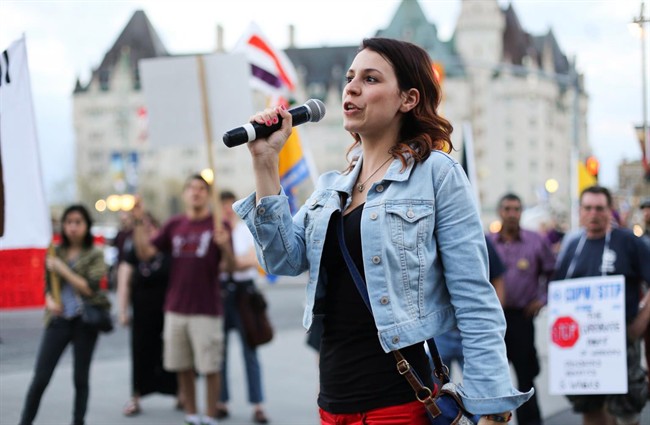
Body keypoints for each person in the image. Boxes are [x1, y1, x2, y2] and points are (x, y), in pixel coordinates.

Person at [233, 37, 531, 425]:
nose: (352, 87)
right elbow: (281, 260)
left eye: (371, 79)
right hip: (332, 405)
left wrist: (490, 402)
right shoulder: (330, 188)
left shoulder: (437, 175)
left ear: (407, 99)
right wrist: (265, 162)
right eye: (350, 77)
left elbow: (474, 296)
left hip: (400, 405)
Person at [131, 174, 234, 425]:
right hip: (175, 308)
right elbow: (145, 253)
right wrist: (137, 223)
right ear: (184, 194)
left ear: (207, 195)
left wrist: (224, 247)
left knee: (210, 367)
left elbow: (229, 268)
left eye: (201, 189)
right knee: (182, 365)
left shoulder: (219, 225)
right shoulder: (174, 224)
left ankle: (209, 416)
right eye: (191, 188)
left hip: (206, 309)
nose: (196, 192)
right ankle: (191, 414)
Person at [554, 186, 650, 425]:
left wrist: (639, 324)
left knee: (626, 411)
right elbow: (558, 291)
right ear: (580, 211)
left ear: (610, 210)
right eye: (588, 208)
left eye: (599, 208)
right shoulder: (572, 246)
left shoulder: (629, 242)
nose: (593, 213)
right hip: (581, 346)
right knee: (590, 407)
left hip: (621, 340)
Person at [19, 204, 109, 425]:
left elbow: (90, 287)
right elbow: (47, 287)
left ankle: (78, 421)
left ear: (86, 225)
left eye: (78, 222)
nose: (73, 227)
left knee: (80, 378)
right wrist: (50, 301)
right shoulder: (54, 251)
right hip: (59, 321)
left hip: (84, 321)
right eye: (69, 222)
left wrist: (62, 268)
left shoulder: (94, 254)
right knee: (40, 378)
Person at [487, 193, 555, 425]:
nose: (512, 214)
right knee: (492, 379)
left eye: (516, 209)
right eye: (507, 209)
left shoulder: (535, 241)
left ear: (521, 212)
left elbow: (553, 273)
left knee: (526, 378)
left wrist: (542, 298)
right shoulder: (486, 242)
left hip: (522, 319)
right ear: (500, 212)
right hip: (493, 322)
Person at [117, 212, 179, 416]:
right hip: (142, 311)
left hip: (168, 310)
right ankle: (135, 396)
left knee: (172, 353)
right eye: (142, 226)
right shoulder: (133, 250)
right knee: (140, 352)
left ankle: (180, 394)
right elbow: (123, 281)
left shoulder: (167, 248)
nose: (148, 230)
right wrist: (123, 310)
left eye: (150, 225)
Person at [215, 190, 269, 424]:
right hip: (222, 293)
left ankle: (257, 404)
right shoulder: (216, 231)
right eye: (223, 205)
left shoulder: (244, 230)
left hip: (244, 293)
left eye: (230, 204)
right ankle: (221, 401)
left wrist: (229, 259)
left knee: (250, 350)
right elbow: (217, 267)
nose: (227, 209)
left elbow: (249, 261)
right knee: (220, 353)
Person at [434, 236, 506, 376]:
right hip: (440, 331)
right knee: (435, 392)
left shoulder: (479, 239)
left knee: (481, 388)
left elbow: (498, 280)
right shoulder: (430, 239)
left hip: (473, 329)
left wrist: (495, 320)